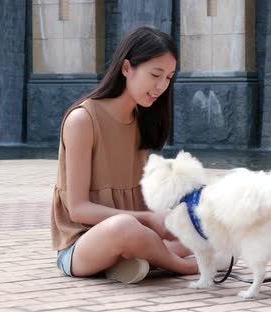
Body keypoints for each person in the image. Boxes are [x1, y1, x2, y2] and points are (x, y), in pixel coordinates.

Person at [51, 26, 198, 283]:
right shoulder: (82, 120)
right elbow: (79, 210)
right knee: (124, 227)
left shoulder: (143, 119)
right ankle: (182, 266)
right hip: (82, 246)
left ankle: (136, 261)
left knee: (202, 224)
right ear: (127, 68)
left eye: (169, 78)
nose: (161, 86)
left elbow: (145, 200)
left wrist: (174, 216)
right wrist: (149, 220)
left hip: (137, 235)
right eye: (155, 74)